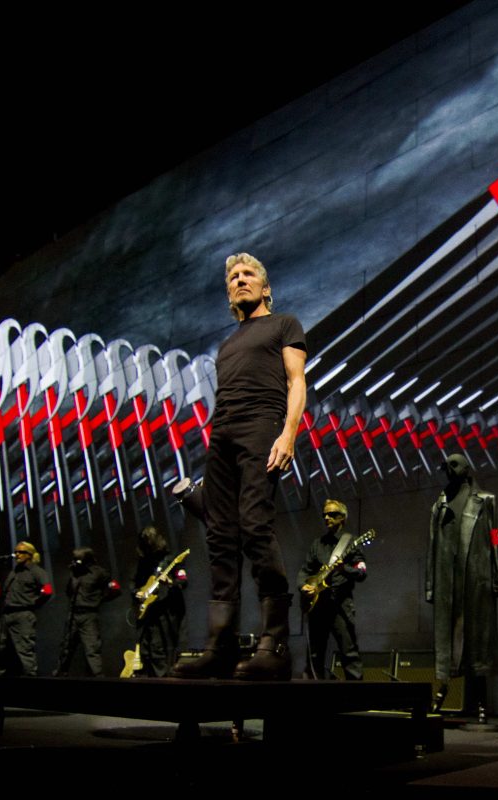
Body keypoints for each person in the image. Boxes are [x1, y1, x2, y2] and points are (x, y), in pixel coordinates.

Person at [174, 252, 307, 681]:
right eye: (233, 276)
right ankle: (220, 644)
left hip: (261, 425)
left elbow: (297, 380)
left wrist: (288, 434)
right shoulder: (227, 344)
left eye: (248, 274)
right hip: (223, 434)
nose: (240, 279)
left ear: (265, 288)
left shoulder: (284, 324)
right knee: (219, 535)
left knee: (254, 525)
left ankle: (275, 645)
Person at [427, 453, 498, 712]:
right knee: (448, 640)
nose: (449, 470)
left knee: (478, 640)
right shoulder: (439, 505)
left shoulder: (486, 500)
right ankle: (443, 688)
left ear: (466, 467)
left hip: (477, 577)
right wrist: (431, 585)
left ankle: (481, 701)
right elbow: (432, 547)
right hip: (446, 580)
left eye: (454, 464)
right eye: (446, 466)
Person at [298, 499, 367, 680]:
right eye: (325, 515)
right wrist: (303, 585)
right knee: (314, 654)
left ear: (342, 518)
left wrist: (344, 569)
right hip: (318, 605)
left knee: (348, 652)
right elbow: (305, 571)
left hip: (341, 605)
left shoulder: (351, 542)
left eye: (332, 514)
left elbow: (362, 572)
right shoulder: (317, 544)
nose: (327, 518)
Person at [132, 526, 188, 677]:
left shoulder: (171, 560)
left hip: (167, 610)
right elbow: (135, 584)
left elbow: (183, 581)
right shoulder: (144, 563)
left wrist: (170, 582)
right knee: (146, 649)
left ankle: (164, 679)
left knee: (161, 648)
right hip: (148, 611)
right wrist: (137, 592)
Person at [56, 547, 120, 677]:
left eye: (78, 559)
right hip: (73, 614)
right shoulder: (74, 572)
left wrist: (99, 600)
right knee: (66, 647)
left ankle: (97, 676)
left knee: (92, 648)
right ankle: (60, 674)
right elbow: (68, 591)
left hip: (89, 615)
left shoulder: (99, 573)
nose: (75, 562)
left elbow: (116, 589)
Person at [0, 541, 53, 677]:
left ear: (30, 554)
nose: (17, 555)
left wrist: (34, 604)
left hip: (23, 614)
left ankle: (30, 676)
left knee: (25, 648)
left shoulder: (37, 571)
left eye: (21, 552)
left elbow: (47, 591)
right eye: (16, 552)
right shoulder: (15, 571)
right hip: (7, 614)